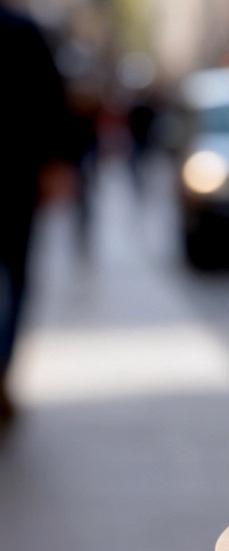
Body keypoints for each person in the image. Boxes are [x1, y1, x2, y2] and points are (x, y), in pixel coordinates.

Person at [0, 6, 72, 423]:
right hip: (19, 181)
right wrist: (54, 165)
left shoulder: (26, 31)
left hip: (20, 181)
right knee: (17, 281)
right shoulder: (25, 31)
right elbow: (52, 100)